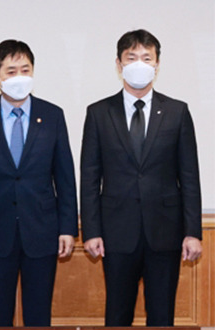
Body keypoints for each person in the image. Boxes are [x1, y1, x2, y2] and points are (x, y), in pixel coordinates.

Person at [81, 29, 202, 326]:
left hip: (166, 234)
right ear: (119, 63)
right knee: (117, 315)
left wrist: (193, 231)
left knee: (162, 315)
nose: (139, 63)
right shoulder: (98, 113)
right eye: (132, 57)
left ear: (157, 64)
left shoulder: (177, 112)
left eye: (147, 57)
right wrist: (92, 230)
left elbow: (189, 177)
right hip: (116, 234)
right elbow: (89, 176)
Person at [0, 40, 77, 326]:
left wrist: (67, 227)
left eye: (25, 70)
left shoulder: (52, 115)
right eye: (11, 70)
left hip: (41, 230)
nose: (19, 77)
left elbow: (64, 177)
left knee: (39, 315)